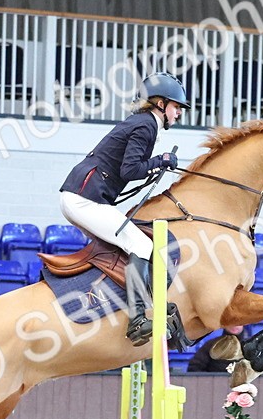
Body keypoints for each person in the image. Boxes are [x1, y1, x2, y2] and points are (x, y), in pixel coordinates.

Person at [58, 71, 189, 346]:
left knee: (133, 243)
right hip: (84, 199)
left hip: (83, 197)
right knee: (141, 246)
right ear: (160, 104)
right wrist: (161, 160)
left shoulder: (142, 122)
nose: (178, 114)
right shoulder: (146, 125)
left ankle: (145, 305)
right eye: (177, 107)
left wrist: (157, 162)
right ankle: (138, 320)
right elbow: (130, 170)